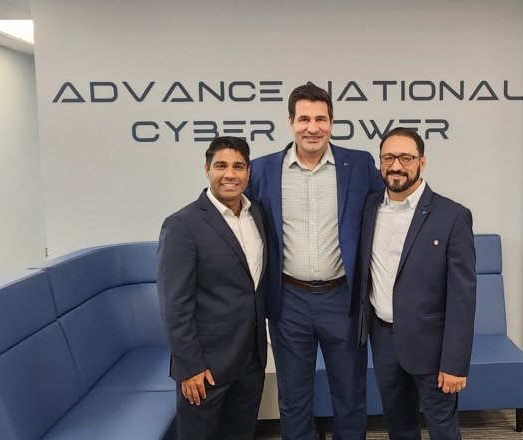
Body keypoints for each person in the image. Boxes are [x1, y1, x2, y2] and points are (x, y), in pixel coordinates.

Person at [246, 83, 383, 439]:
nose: (313, 127)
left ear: (332, 122)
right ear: (290, 122)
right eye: (304, 118)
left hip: (343, 298)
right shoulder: (261, 170)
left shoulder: (360, 164)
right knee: (293, 397)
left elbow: (389, 211)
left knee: (351, 395)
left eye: (320, 118)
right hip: (288, 300)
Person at [359, 127, 476, 440]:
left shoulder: (452, 216)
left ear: (422, 162)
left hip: (433, 348)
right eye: (388, 158)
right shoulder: (368, 209)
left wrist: (455, 364)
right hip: (383, 340)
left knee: (442, 427)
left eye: (406, 158)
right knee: (398, 425)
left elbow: (463, 298)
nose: (396, 166)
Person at [157, 136, 267, 440]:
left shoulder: (256, 214)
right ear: (207, 170)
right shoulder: (182, 225)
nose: (229, 174)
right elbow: (174, 303)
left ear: (248, 172)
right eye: (221, 165)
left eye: (238, 166)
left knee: (241, 434)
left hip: (251, 360)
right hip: (205, 367)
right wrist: (188, 366)